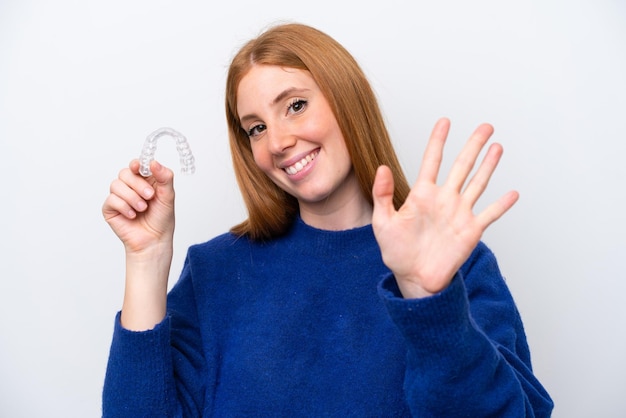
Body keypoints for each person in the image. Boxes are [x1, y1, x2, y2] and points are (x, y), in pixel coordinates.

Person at [101, 22, 553, 417]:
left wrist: (426, 301)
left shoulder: (457, 263)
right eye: (256, 127)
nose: (277, 141)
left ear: (347, 101)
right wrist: (146, 258)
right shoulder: (215, 272)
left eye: (295, 105)